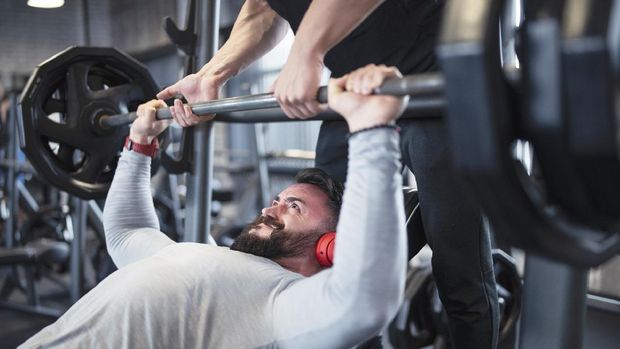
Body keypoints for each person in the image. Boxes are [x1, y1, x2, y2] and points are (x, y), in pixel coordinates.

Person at [158, 1, 500, 348]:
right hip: (350, 89)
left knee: (459, 268)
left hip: (437, 79)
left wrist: (306, 52)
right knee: (321, 252)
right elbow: (264, 8)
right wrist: (211, 76)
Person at [20, 65, 409, 348]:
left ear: (330, 245)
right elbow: (127, 235)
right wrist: (139, 143)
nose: (271, 209)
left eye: (295, 207)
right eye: (277, 199)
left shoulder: (282, 305)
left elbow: (365, 303)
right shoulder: (203, 258)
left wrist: (371, 130)